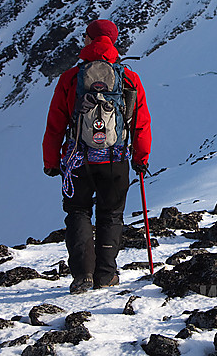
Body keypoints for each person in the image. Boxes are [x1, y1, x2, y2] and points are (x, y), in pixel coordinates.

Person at [42, 19, 152, 294]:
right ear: (114, 41)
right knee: (111, 214)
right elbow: (140, 122)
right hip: (115, 160)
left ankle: (82, 276)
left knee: (78, 212)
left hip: (78, 160)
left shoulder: (70, 78)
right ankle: (106, 274)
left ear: (89, 40)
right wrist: (141, 157)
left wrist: (51, 161)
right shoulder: (128, 77)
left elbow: (55, 123)